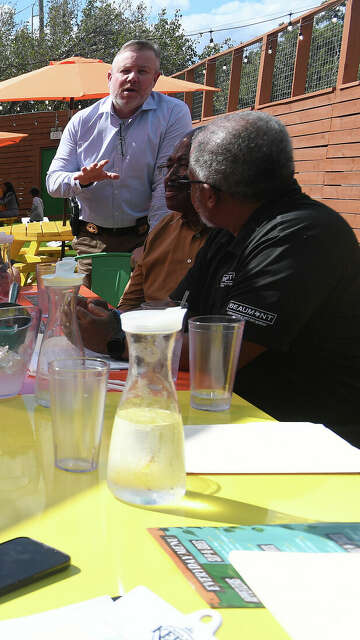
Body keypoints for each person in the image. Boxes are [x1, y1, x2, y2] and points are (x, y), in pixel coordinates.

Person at [177, 111, 360, 444]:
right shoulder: (228, 231)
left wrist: (120, 338)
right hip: (236, 416)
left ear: (207, 192)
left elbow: (221, 355)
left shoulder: (303, 234)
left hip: (308, 442)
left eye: (186, 182)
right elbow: (173, 313)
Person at [46, 40, 193, 257]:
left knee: (149, 293)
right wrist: (81, 180)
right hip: (91, 240)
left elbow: (166, 184)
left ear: (155, 79)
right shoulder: (82, 121)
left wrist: (154, 243)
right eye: (125, 70)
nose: (132, 77)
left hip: (147, 235)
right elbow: (53, 183)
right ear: (109, 78)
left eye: (142, 71)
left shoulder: (173, 113)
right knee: (87, 293)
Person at [78, 129, 211, 349]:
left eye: (182, 166)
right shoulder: (164, 229)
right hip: (142, 350)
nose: (168, 178)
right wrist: (105, 317)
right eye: (167, 168)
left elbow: (218, 341)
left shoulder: (231, 237)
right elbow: (129, 306)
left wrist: (116, 342)